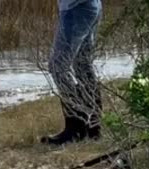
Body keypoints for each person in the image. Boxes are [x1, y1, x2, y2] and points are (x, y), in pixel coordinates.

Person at [42, 0, 103, 145]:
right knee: (82, 65)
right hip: (90, 6)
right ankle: (93, 127)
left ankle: (76, 129)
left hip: (75, 7)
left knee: (58, 66)